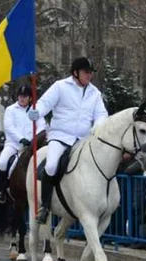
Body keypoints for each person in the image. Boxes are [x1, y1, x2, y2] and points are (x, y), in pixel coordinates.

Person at [28, 57, 109, 224]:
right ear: (75, 73)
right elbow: (45, 103)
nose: (89, 76)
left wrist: (98, 127)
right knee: (50, 166)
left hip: (83, 139)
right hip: (60, 136)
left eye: (91, 73)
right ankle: (45, 206)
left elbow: (101, 114)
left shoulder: (95, 93)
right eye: (86, 72)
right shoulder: (60, 87)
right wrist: (37, 111)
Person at [0, 85, 46, 204]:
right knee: (2, 162)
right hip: (14, 145)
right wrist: (21, 139)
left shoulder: (35, 110)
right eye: (20, 96)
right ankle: (2, 190)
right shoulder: (10, 110)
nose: (22, 98)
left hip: (32, 145)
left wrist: (34, 139)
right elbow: (9, 127)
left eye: (25, 96)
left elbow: (42, 125)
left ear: (29, 98)